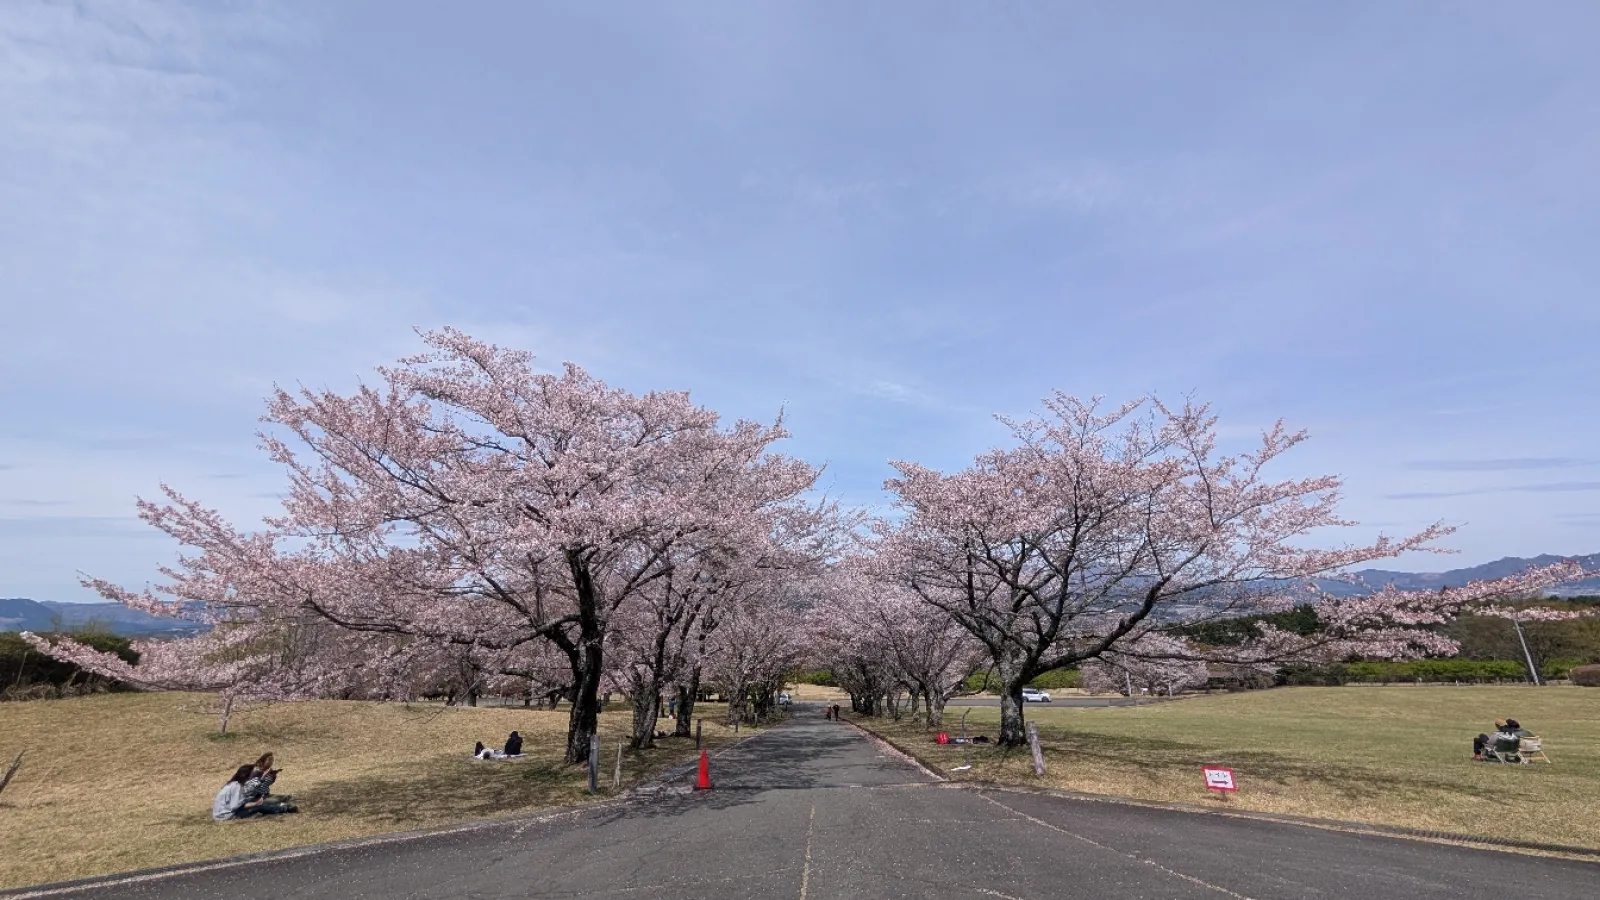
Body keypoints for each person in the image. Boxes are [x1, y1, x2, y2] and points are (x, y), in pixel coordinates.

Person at [213, 765, 296, 820]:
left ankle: (281, 807)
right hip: (225, 816)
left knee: (256, 803)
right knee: (259, 807)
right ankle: (285, 809)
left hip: (219, 814)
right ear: (247, 775)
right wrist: (256, 804)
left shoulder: (231, 784)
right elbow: (236, 806)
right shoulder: (236, 786)